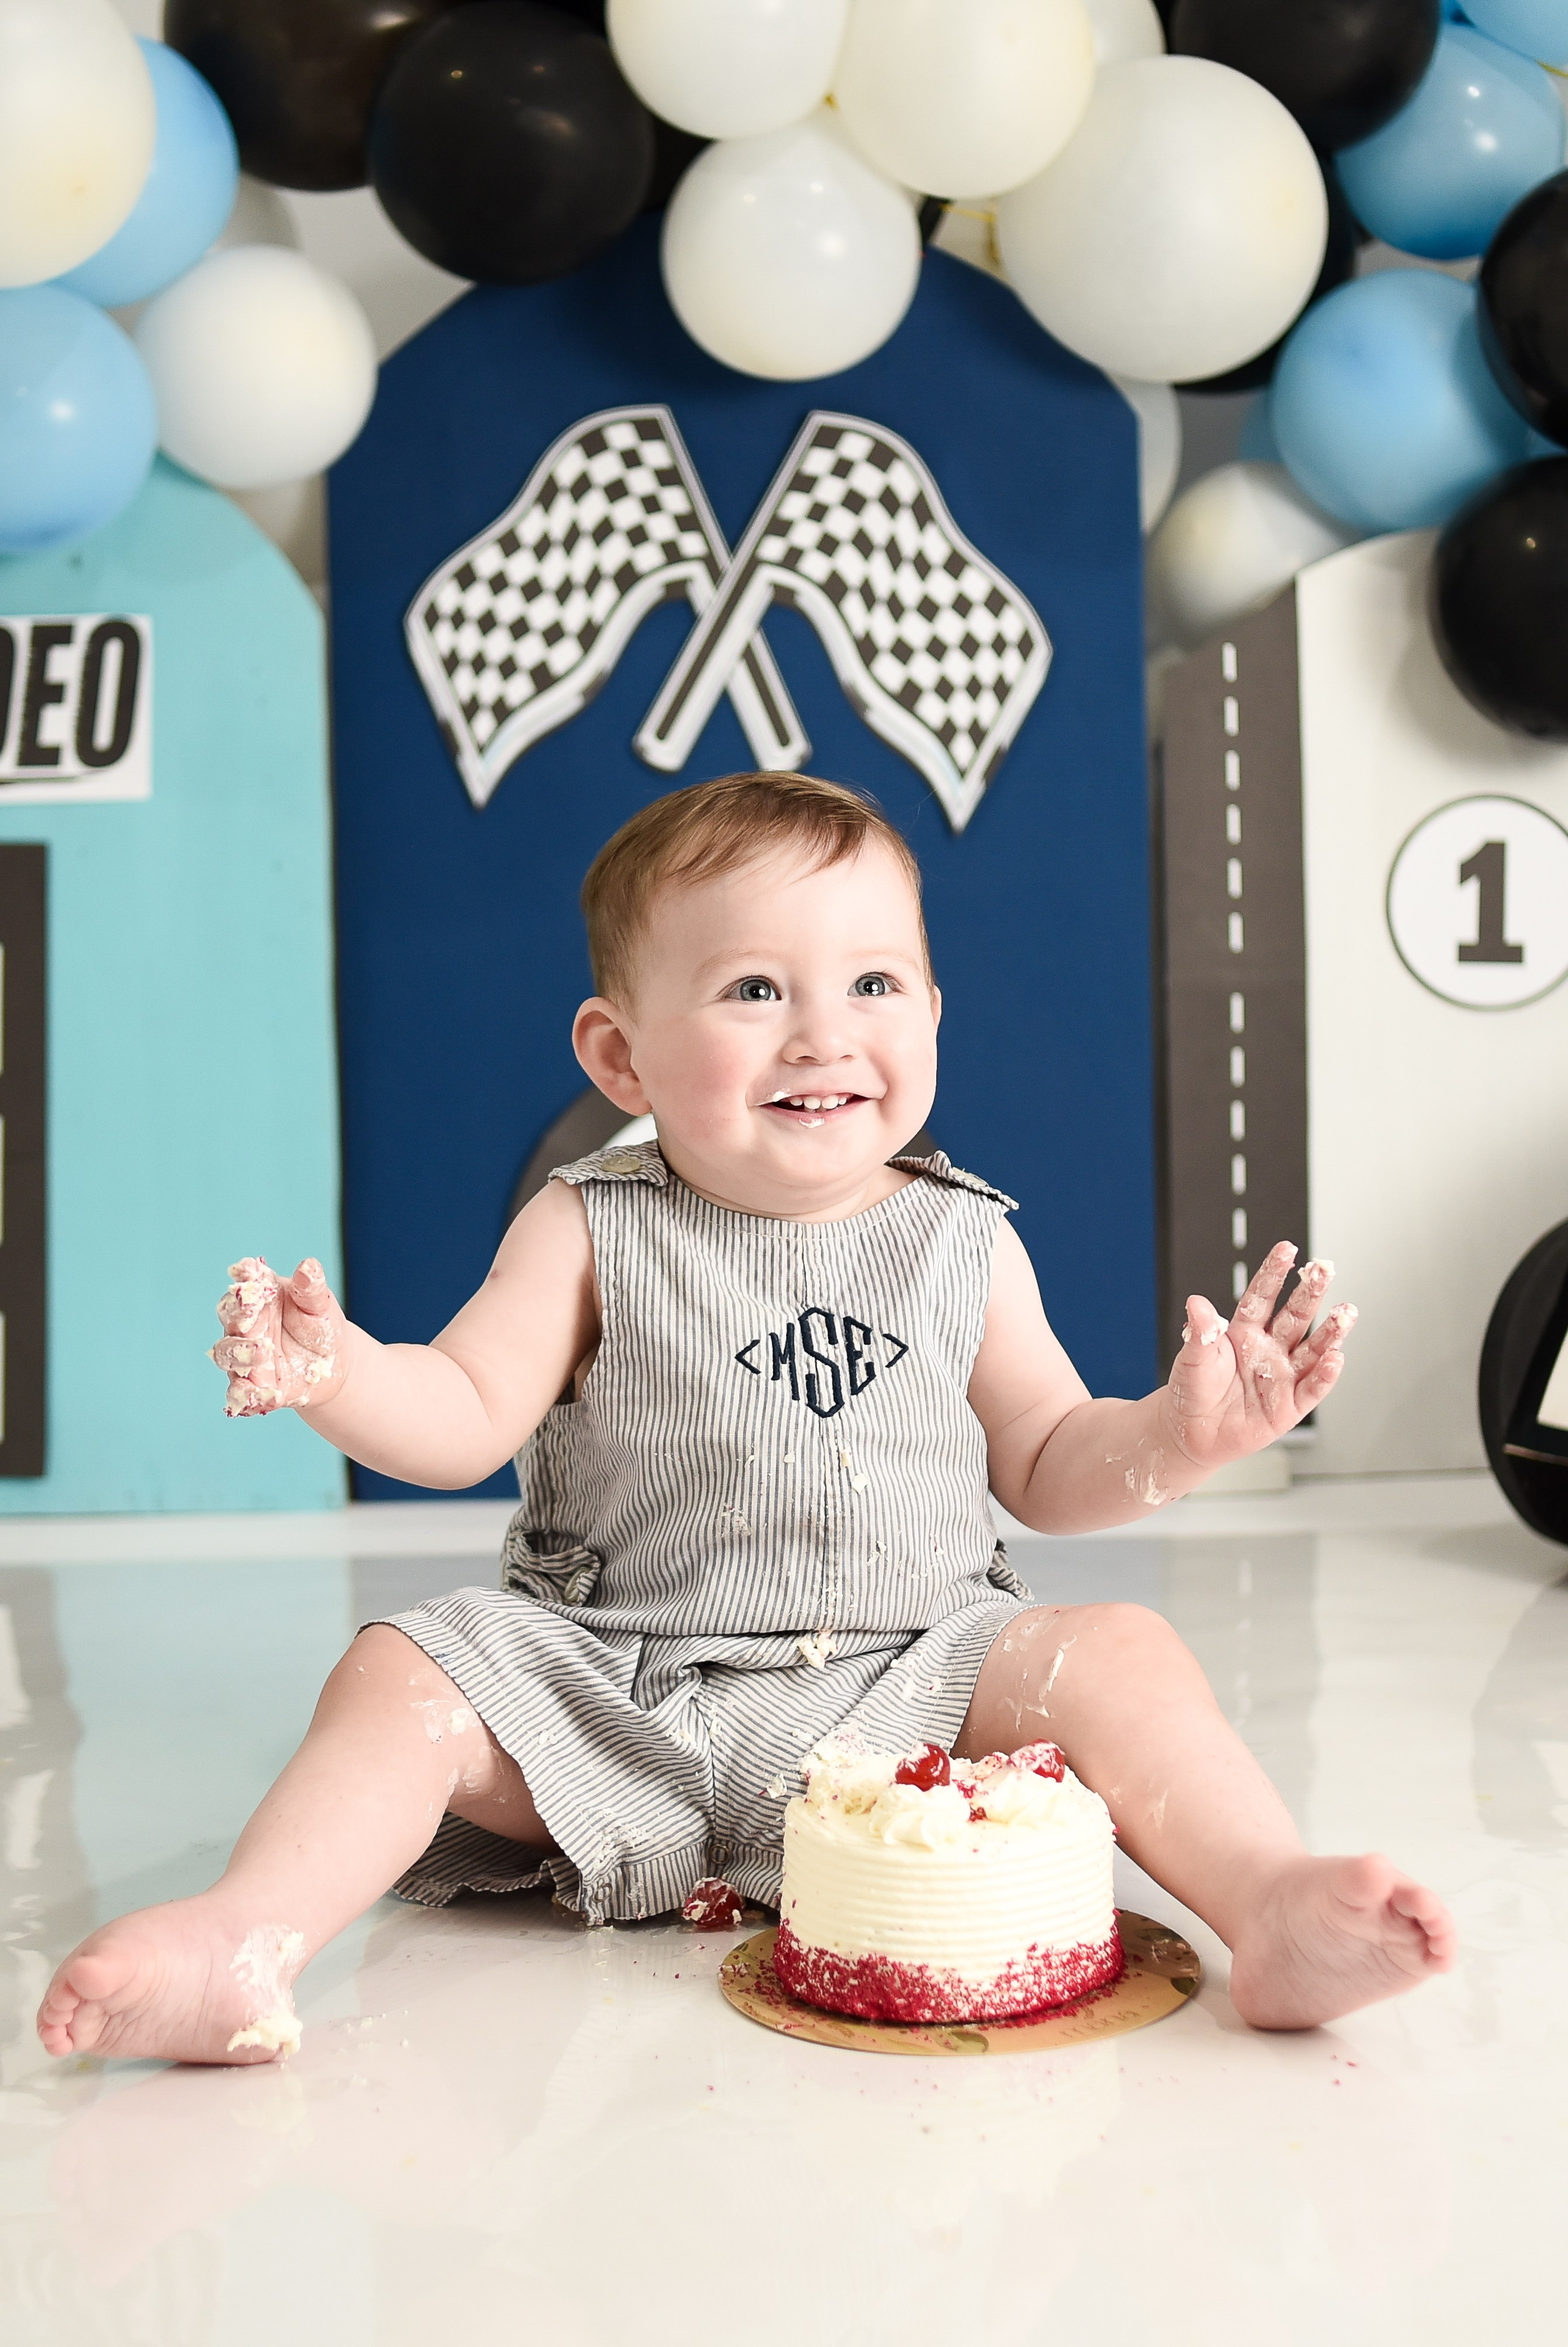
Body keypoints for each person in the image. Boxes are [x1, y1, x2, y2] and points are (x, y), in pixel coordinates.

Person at [37, 771, 1456, 2063]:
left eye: (876, 981)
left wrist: (1179, 1434)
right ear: (621, 1056)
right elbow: (463, 1414)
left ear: (935, 1013)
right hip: (615, 1693)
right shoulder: (588, 1224)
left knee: (1120, 1653)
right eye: (755, 988)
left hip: (905, 1695)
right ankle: (248, 1935)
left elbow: (1045, 1461)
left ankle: (1265, 1899)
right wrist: (339, 1371)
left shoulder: (962, 1241)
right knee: (407, 1668)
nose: (826, 1032)